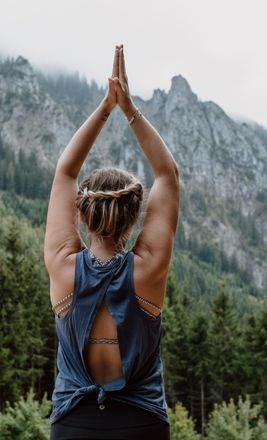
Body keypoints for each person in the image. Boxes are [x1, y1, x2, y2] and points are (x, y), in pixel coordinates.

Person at [44, 44, 179, 440]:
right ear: (137, 216)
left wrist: (105, 107)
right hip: (142, 423)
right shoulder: (148, 269)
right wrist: (129, 109)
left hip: (73, 425)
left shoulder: (63, 267)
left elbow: (65, 172)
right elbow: (167, 175)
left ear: (81, 214)